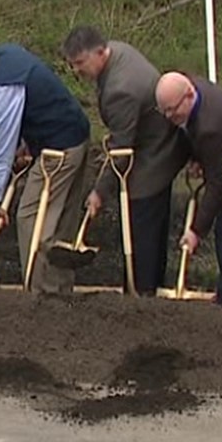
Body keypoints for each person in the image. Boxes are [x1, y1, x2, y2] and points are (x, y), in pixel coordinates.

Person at [0, 37, 96, 294]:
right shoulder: (5, 56)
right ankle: (59, 292)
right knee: (60, 222)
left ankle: (38, 294)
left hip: (60, 147)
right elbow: (30, 106)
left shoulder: (2, 86)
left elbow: (1, 148)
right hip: (70, 134)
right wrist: (27, 143)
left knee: (31, 216)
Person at [64, 26, 185, 295]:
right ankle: (150, 286)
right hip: (154, 142)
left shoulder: (121, 90)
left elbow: (121, 150)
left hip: (153, 156)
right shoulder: (118, 50)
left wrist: (98, 192)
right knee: (150, 225)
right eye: (72, 65)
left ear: (99, 52)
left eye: (80, 63)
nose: (76, 71)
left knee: (141, 224)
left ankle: (141, 293)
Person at [155, 72, 222, 304]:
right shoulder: (190, 91)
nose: (168, 116)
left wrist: (196, 231)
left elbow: (217, 185)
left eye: (172, 110)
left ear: (189, 95)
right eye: (164, 111)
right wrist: (197, 156)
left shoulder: (211, 129)